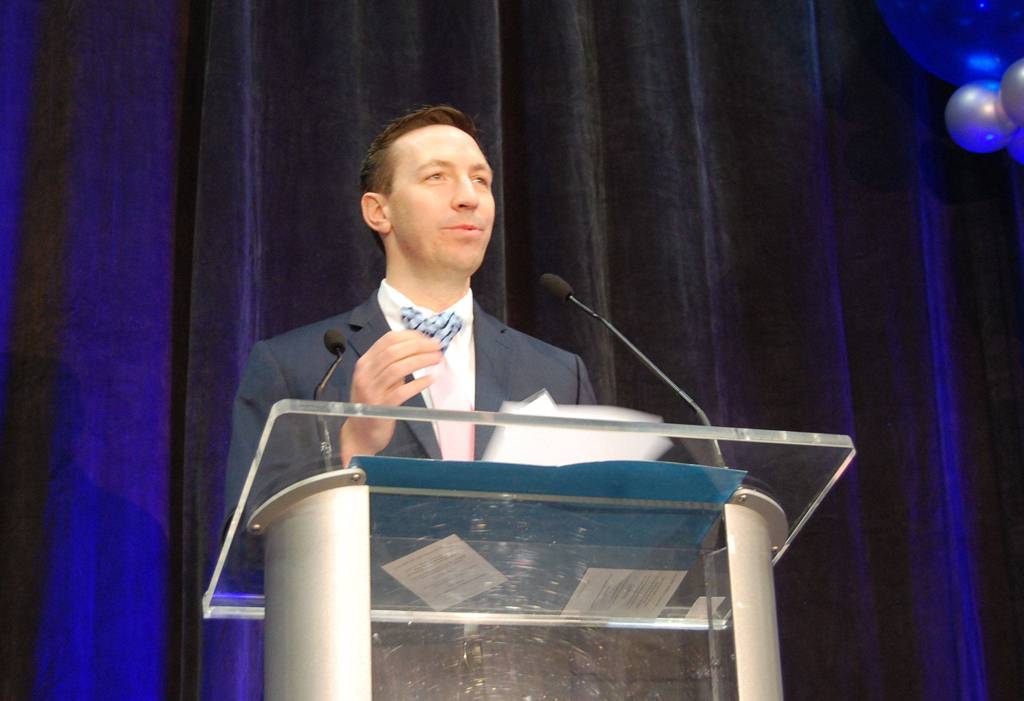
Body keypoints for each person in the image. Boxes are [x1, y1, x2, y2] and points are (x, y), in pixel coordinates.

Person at [223, 105, 596, 516]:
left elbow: (595, 533)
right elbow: (250, 550)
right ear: (378, 211)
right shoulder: (295, 367)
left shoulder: (559, 375)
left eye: (480, 180)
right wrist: (355, 444)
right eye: (436, 177)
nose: (469, 197)